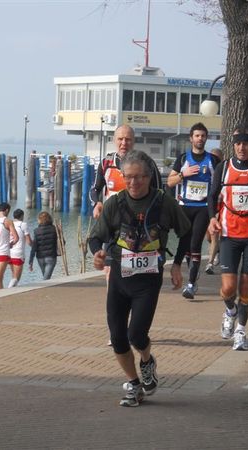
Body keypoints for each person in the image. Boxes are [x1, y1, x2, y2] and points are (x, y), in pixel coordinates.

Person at [88, 150, 191, 407]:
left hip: (148, 280)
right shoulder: (115, 203)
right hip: (119, 279)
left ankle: (146, 360)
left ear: (149, 177)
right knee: (118, 337)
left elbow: (186, 233)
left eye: (140, 178)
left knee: (136, 335)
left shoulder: (163, 202)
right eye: (129, 178)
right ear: (123, 177)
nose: (134, 183)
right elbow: (95, 237)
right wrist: (98, 253)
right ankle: (134, 384)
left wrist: (177, 265)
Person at [207, 124, 248, 351]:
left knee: (246, 287)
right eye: (238, 144)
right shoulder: (224, 168)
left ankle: (241, 331)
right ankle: (230, 311)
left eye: (246, 143)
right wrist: (212, 218)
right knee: (228, 288)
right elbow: (212, 196)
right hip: (229, 233)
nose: (242, 148)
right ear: (233, 146)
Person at [90, 124, 162, 283]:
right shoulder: (106, 162)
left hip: (137, 226)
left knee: (134, 273)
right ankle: (113, 305)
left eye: (128, 139)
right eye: (120, 139)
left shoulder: (147, 163)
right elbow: (95, 189)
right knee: (109, 269)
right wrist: (97, 203)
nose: (124, 143)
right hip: (112, 224)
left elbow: (159, 192)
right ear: (114, 140)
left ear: (134, 141)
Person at [166, 123, 221, 299]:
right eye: (197, 136)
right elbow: (169, 182)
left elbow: (221, 182)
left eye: (203, 136)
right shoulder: (183, 159)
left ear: (206, 138)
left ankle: (191, 285)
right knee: (185, 242)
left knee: (195, 242)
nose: (200, 139)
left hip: (203, 208)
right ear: (191, 138)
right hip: (185, 206)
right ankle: (191, 270)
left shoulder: (212, 161)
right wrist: (184, 174)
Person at [204, 147, 223, 275]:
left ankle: (209, 263)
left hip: (220, 207)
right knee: (208, 238)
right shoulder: (205, 171)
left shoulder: (224, 171)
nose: (213, 160)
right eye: (212, 157)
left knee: (214, 234)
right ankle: (219, 250)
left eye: (216, 158)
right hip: (205, 206)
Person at [29, 211, 59, 280]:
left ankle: (47, 290)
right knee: (46, 279)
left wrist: (31, 261)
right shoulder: (54, 229)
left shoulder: (36, 231)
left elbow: (34, 247)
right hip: (51, 257)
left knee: (46, 278)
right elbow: (62, 242)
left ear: (39, 220)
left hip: (40, 258)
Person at [8, 208, 32, 288]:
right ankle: (8, 290)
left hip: (9, 253)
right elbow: (29, 241)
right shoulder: (23, 225)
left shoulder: (9, 224)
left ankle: (11, 291)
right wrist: (35, 247)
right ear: (22, 216)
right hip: (18, 253)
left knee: (13, 275)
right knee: (16, 278)